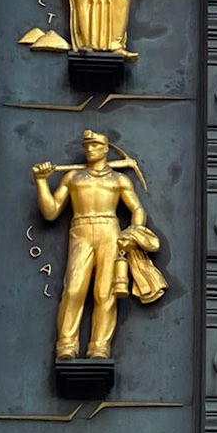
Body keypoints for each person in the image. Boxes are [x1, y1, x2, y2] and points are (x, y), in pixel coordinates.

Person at [32, 132, 163, 361]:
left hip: (109, 231)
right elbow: (51, 212)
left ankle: (100, 345)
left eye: (95, 145)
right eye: (87, 146)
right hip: (80, 231)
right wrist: (41, 182)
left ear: (105, 149)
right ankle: (66, 343)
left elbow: (137, 209)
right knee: (74, 288)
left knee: (105, 291)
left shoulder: (119, 180)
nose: (90, 149)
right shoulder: (73, 178)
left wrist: (133, 230)